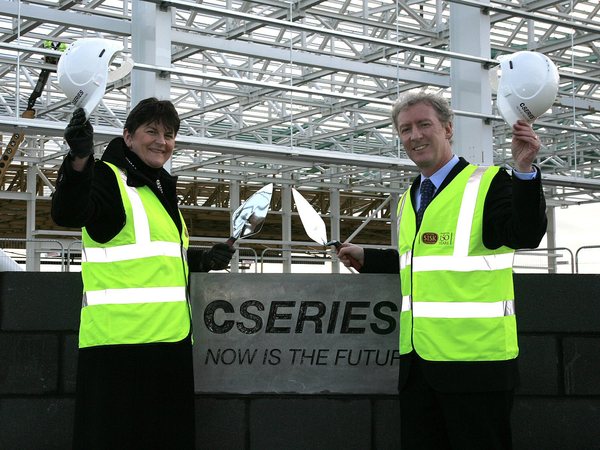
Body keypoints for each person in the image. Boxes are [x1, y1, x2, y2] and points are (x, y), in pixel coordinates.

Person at [337, 92, 547, 450]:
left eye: (423, 125)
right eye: (405, 129)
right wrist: (369, 258)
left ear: (448, 129)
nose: (415, 136)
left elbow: (526, 234)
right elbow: (421, 263)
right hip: (418, 368)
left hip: (477, 368)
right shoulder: (408, 198)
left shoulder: (488, 182)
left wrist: (524, 172)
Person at [51, 98, 235, 450]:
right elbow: (69, 211)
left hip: (169, 345)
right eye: (151, 131)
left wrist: (202, 260)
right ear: (128, 136)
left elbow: (158, 255)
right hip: (119, 350)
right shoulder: (108, 176)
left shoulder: (158, 188)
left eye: (169, 134)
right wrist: (78, 160)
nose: (161, 141)